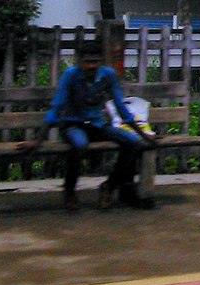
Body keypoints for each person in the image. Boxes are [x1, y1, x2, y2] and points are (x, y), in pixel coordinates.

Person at [18, 41, 156, 211]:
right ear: (79, 61)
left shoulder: (108, 75)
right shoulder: (70, 75)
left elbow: (121, 107)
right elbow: (57, 107)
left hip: (97, 124)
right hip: (72, 124)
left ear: (101, 61)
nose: (91, 66)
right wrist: (37, 141)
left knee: (133, 144)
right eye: (87, 62)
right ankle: (70, 190)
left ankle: (109, 186)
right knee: (80, 145)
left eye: (95, 62)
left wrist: (143, 135)